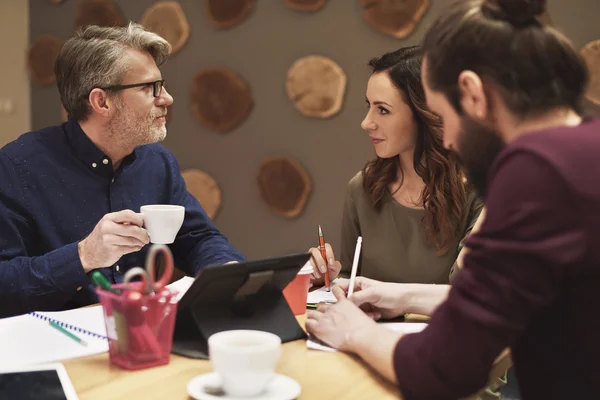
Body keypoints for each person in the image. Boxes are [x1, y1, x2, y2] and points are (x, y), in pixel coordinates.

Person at [306, 0, 600, 399]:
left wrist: (355, 332)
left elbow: (446, 367)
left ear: (473, 94)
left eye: (447, 117)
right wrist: (398, 295)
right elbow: (501, 303)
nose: (446, 140)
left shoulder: (534, 177)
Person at [0, 23, 244, 319]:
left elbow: (198, 238)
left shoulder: (157, 163)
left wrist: (228, 272)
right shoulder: (16, 168)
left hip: (146, 331)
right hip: (57, 344)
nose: (167, 98)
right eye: (149, 88)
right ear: (101, 101)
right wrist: (83, 256)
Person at [309, 46, 483, 286]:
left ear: (425, 114)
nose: (366, 123)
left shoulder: (478, 192)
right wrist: (325, 279)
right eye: (368, 106)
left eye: (382, 110)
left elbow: (473, 292)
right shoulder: (362, 188)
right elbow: (351, 283)